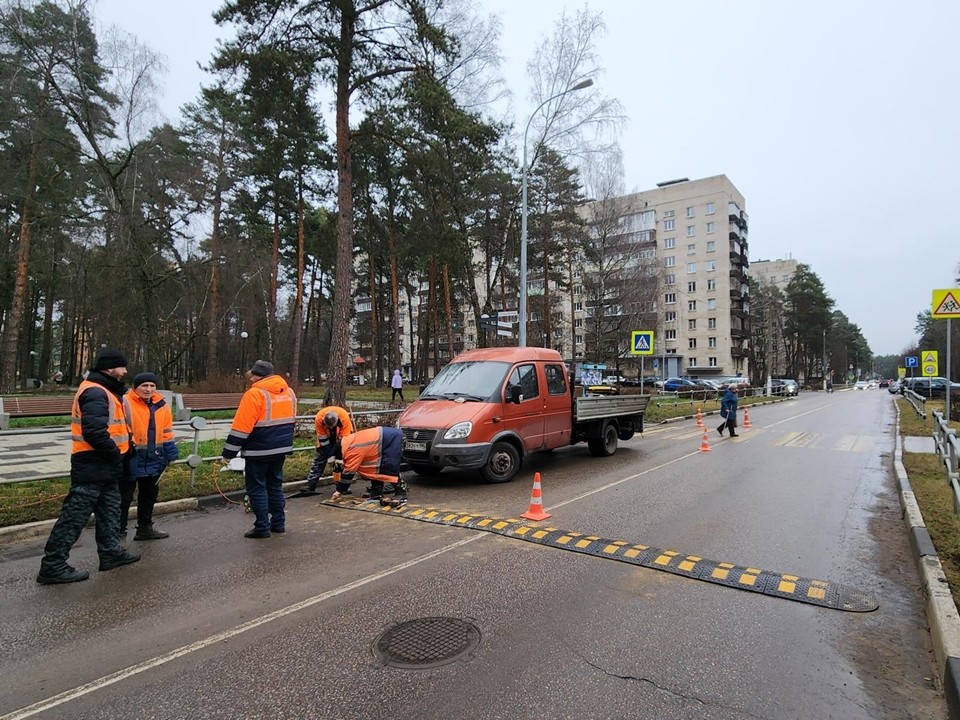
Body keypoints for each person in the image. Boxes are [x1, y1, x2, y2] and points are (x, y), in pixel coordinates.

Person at [36, 349, 141, 584]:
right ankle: (53, 565)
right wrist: (115, 453)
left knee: (110, 512)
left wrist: (126, 448)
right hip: (94, 463)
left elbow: (114, 428)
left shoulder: (105, 389)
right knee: (74, 516)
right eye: (121, 367)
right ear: (109, 369)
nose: (125, 371)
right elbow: (94, 432)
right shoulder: (95, 391)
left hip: (105, 464)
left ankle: (110, 553)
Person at [222, 360, 297, 539]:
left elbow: (242, 426)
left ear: (255, 375)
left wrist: (229, 453)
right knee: (275, 485)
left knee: (256, 488)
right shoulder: (289, 392)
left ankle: (262, 527)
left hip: (259, 449)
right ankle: (278, 523)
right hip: (282, 447)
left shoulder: (254, 393)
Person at [120, 372, 179, 541]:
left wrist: (170, 451)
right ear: (135, 388)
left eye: (152, 386)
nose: (148, 389)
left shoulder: (161, 405)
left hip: (154, 458)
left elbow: (166, 431)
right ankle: (119, 532)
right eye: (144, 386)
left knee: (149, 495)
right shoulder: (125, 403)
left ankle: (145, 528)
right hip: (130, 458)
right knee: (124, 497)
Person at [330, 425, 408, 507]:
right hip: (385, 440)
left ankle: (401, 492)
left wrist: (339, 491)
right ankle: (377, 492)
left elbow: (349, 471)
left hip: (393, 440)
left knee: (389, 467)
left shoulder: (353, 449)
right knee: (375, 467)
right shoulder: (348, 442)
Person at [302, 405, 353, 493]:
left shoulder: (344, 417)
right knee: (319, 460)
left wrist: (337, 457)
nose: (330, 428)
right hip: (325, 439)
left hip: (341, 439)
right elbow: (323, 440)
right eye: (328, 426)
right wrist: (329, 455)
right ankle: (310, 485)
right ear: (324, 421)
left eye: (332, 426)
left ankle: (342, 486)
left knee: (341, 463)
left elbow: (343, 441)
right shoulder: (319, 418)